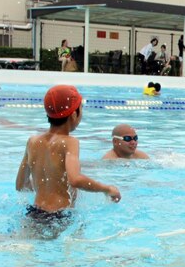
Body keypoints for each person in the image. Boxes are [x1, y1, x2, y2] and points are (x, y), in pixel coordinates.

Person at [16, 85, 120, 222]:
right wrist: (106, 189)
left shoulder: (33, 141)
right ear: (73, 115)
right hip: (60, 217)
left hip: (35, 213)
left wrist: (45, 191)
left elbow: (20, 185)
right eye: (81, 108)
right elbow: (75, 179)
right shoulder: (70, 142)